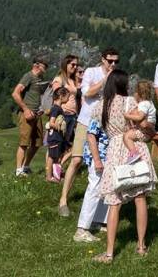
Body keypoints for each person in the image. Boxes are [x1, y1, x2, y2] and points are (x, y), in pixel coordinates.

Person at [93, 70, 157, 263]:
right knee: (140, 197)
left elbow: (97, 128)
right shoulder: (130, 102)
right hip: (133, 147)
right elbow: (144, 125)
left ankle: (110, 252)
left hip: (114, 149)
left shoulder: (100, 106)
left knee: (114, 202)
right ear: (123, 84)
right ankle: (141, 246)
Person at [58, 47, 119, 217]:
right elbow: (87, 93)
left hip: (104, 125)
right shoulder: (91, 72)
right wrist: (105, 79)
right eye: (110, 61)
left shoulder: (116, 75)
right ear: (103, 60)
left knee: (102, 165)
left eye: (116, 61)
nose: (113, 64)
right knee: (77, 160)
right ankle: (63, 200)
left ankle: (99, 208)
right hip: (86, 121)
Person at [73, 112, 110, 243]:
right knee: (94, 189)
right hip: (98, 154)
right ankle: (82, 229)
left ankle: (97, 220)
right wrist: (97, 159)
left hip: (107, 155)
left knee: (104, 189)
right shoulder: (100, 110)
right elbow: (91, 135)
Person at [11, 56, 49, 177]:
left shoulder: (40, 78)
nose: (46, 69)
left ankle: (25, 166)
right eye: (44, 66)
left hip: (37, 113)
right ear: (36, 65)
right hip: (26, 113)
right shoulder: (28, 76)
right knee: (24, 142)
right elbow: (15, 93)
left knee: (37, 143)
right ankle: (18, 171)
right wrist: (25, 109)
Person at [50, 55, 80, 166]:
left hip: (72, 115)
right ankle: (52, 169)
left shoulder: (72, 80)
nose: (75, 66)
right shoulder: (59, 79)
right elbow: (56, 95)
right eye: (72, 64)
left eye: (76, 64)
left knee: (67, 144)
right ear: (65, 64)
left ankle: (58, 166)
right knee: (56, 143)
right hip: (63, 115)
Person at [123, 80, 157, 164]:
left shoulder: (143, 104)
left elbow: (140, 117)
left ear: (139, 94)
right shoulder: (149, 102)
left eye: (135, 92)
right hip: (148, 130)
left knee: (126, 136)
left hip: (144, 132)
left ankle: (134, 153)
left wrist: (127, 116)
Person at [45, 87, 70, 182]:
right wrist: (60, 128)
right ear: (60, 96)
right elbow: (51, 123)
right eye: (67, 96)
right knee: (52, 157)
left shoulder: (58, 108)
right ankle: (49, 177)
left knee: (57, 157)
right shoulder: (56, 109)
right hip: (54, 137)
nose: (68, 99)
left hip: (58, 137)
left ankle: (56, 176)